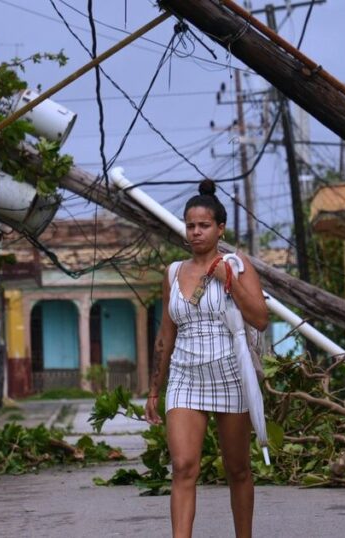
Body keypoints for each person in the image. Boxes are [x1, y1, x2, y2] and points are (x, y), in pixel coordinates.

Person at [145, 179, 269, 538]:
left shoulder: (237, 264)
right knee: (183, 467)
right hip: (186, 376)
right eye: (190, 226)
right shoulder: (173, 272)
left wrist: (228, 279)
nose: (196, 232)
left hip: (230, 373)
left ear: (220, 228)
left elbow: (260, 318)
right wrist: (155, 390)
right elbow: (166, 335)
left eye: (203, 226)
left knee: (238, 469)